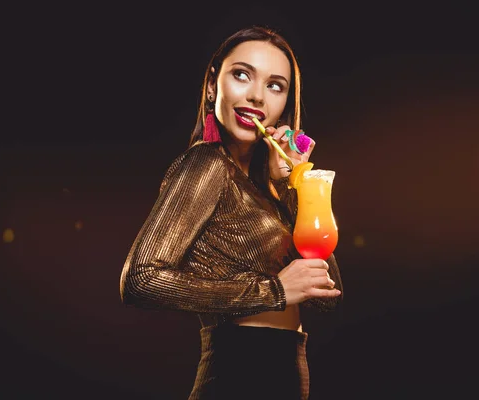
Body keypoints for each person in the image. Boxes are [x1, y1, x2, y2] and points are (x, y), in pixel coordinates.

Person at [119, 25, 343, 400]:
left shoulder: (267, 190)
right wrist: (273, 291)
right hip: (240, 372)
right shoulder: (206, 164)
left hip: (286, 373)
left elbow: (328, 295)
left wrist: (293, 187)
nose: (256, 96)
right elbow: (140, 279)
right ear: (212, 85)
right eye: (242, 75)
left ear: (285, 104)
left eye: (275, 85)